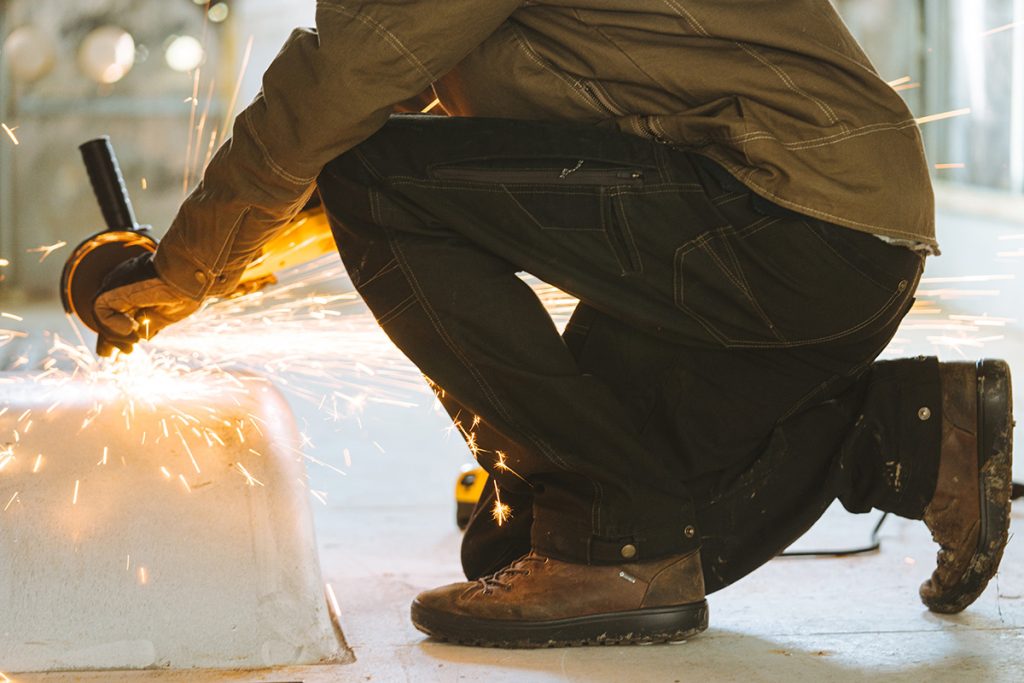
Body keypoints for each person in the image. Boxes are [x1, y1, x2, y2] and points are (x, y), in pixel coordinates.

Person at [92, 1, 1014, 648]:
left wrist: (181, 271)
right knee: (514, 540)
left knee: (609, 534)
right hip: (814, 237)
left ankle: (618, 541)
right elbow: (369, 110)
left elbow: (339, 94)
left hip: (789, 222)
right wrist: (217, 262)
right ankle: (915, 429)